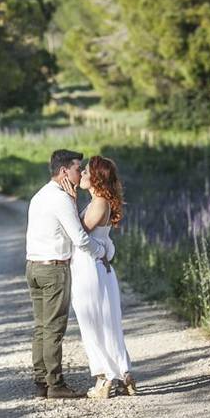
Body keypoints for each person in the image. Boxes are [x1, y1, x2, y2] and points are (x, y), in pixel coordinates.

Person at [25, 149, 107, 399]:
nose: (79, 173)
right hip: (53, 270)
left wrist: (72, 203)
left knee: (41, 327)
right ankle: (55, 384)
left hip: (34, 266)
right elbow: (80, 238)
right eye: (76, 168)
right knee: (54, 328)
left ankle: (41, 381)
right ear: (63, 171)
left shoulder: (41, 195)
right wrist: (102, 250)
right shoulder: (60, 199)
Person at [69, 155, 135, 399]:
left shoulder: (99, 203)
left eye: (86, 172)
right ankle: (123, 373)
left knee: (92, 323)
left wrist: (70, 199)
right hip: (97, 267)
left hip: (90, 268)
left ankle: (104, 378)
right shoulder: (100, 202)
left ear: (96, 177)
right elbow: (105, 241)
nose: (82, 176)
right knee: (107, 322)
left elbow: (77, 233)